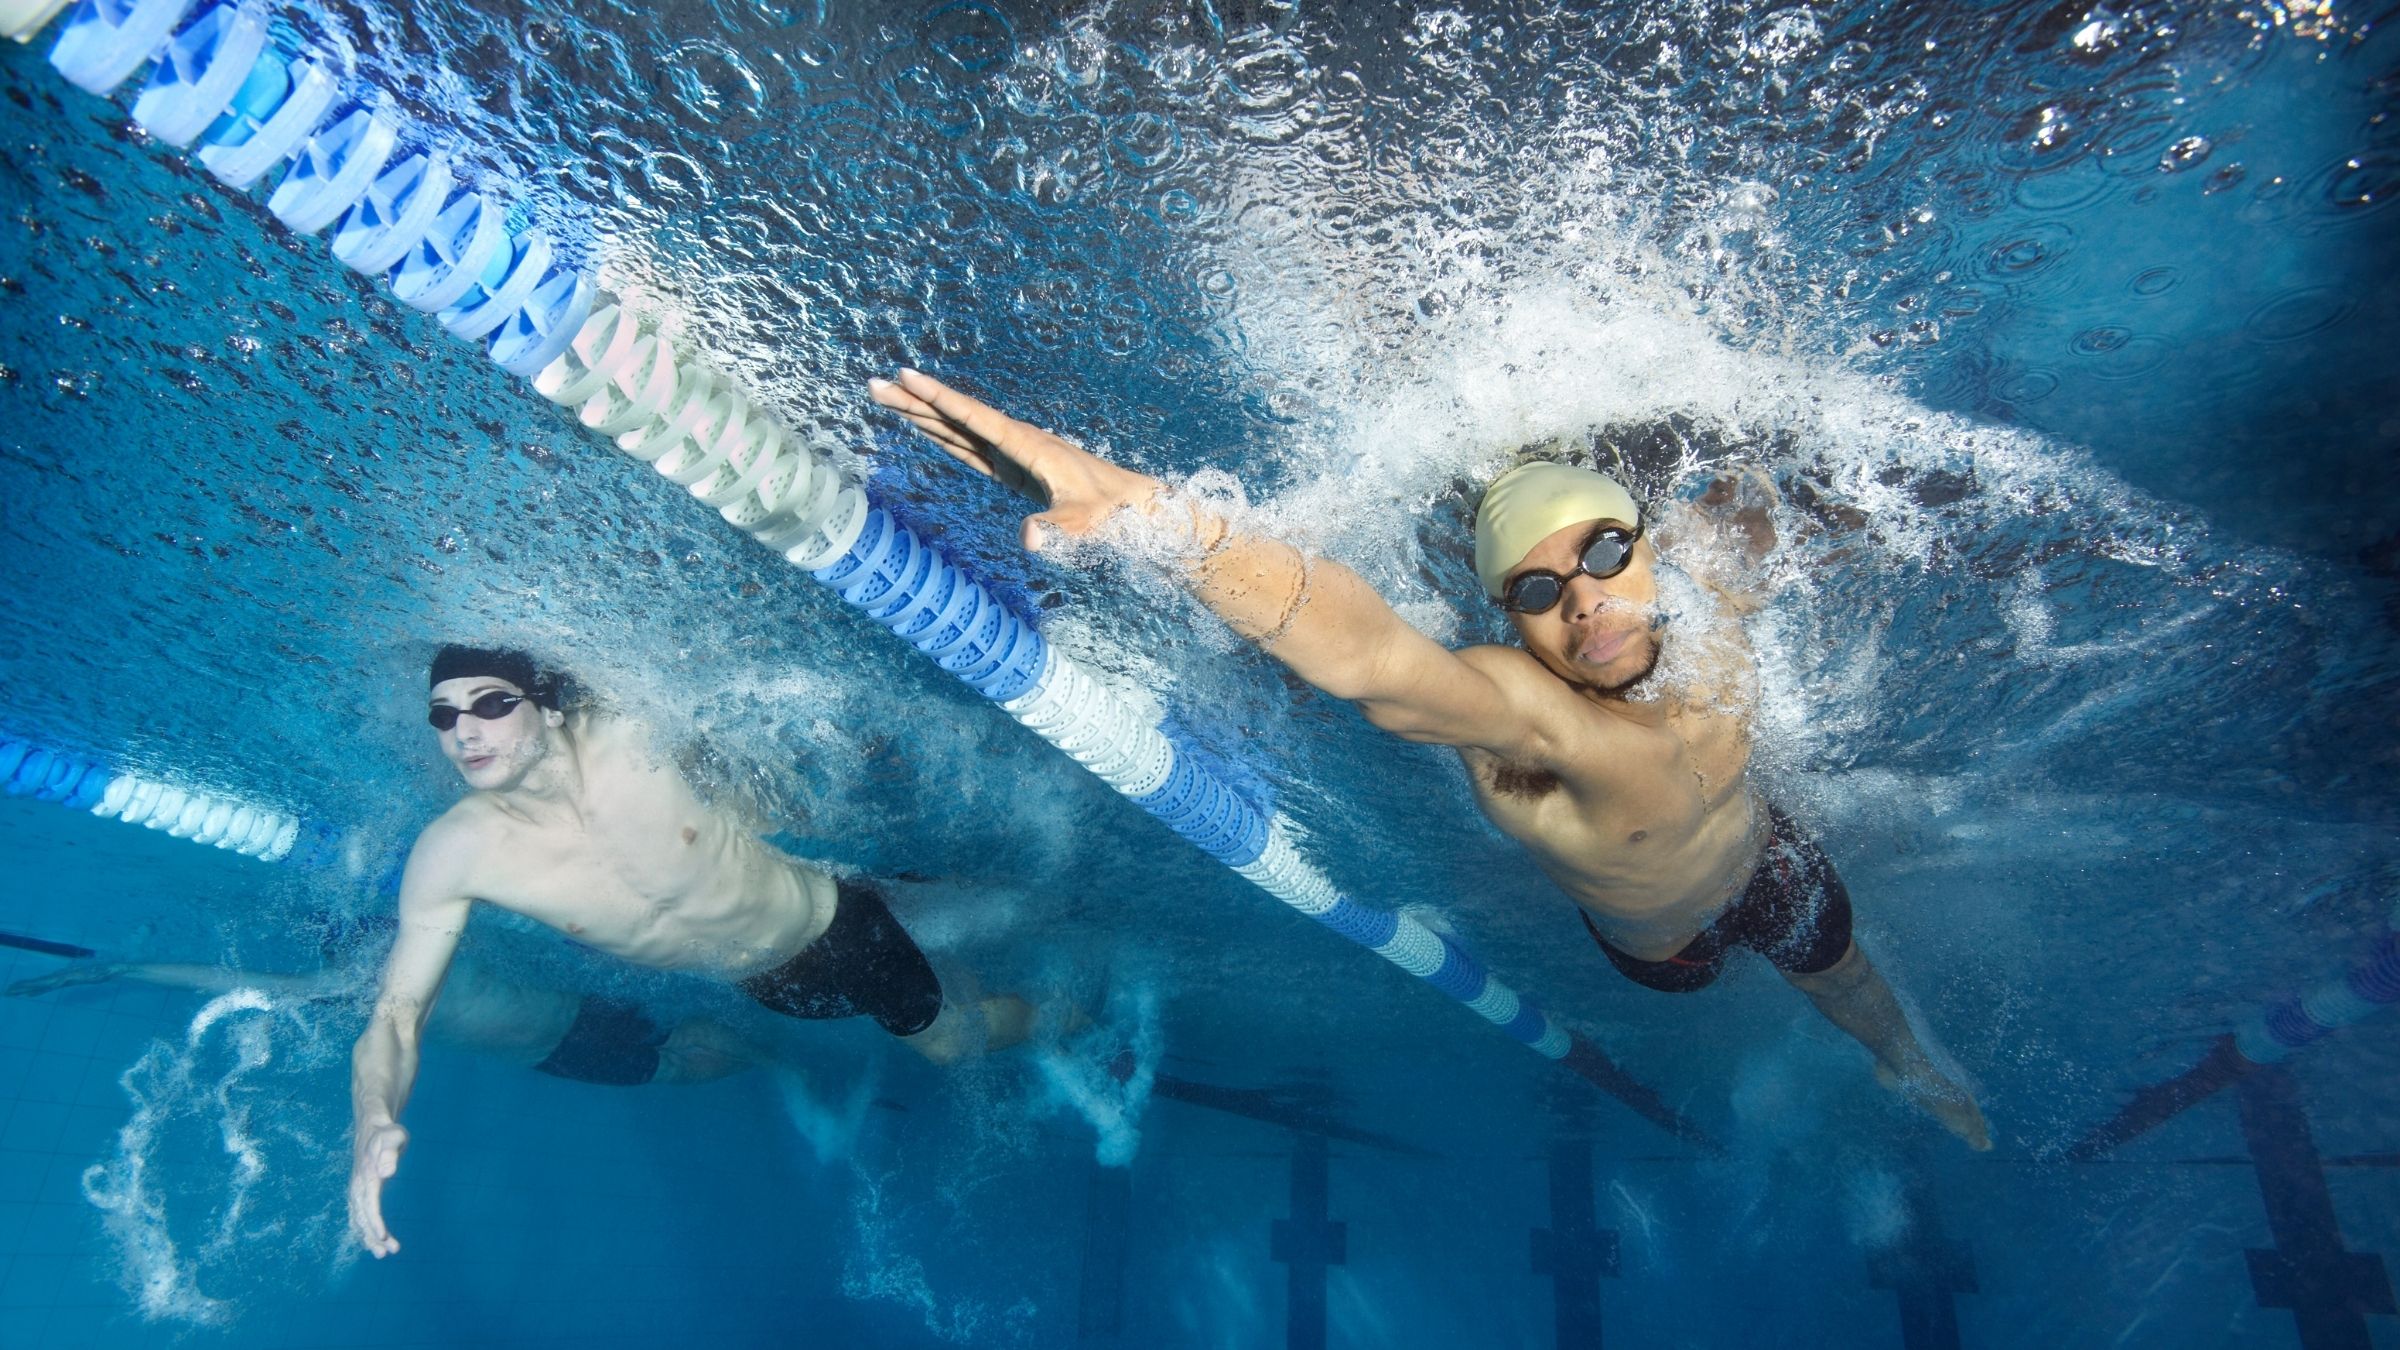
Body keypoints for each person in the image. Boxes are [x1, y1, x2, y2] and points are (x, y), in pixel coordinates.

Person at [868, 367, 1990, 1151]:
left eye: (1604, 551)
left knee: (1842, 978)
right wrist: (1158, 521)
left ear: (1648, 541)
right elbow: (1376, 660)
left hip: (1765, 857)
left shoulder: (1714, 589)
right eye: (1539, 592)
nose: (1588, 602)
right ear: (1510, 623)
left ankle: (1910, 1064)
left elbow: (1819, 483)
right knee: (1716, 972)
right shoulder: (1541, 719)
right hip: (1657, 946)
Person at [350, 645, 1041, 1258]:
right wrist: (374, 1118)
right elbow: (397, 1013)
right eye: (442, 715)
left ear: (550, 708)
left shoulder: (630, 735)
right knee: (943, 989)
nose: (464, 731)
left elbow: (760, 704)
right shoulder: (457, 853)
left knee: (950, 1041)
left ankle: (1066, 1015)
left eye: (492, 704)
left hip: (841, 931)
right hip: (765, 983)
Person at [10, 947, 773, 1087]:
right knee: (676, 1068)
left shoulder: (434, 935)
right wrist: (119, 969)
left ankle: (776, 1054)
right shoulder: (351, 985)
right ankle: (775, 1063)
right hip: (548, 1053)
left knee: (680, 1052)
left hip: (574, 1019)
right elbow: (235, 980)